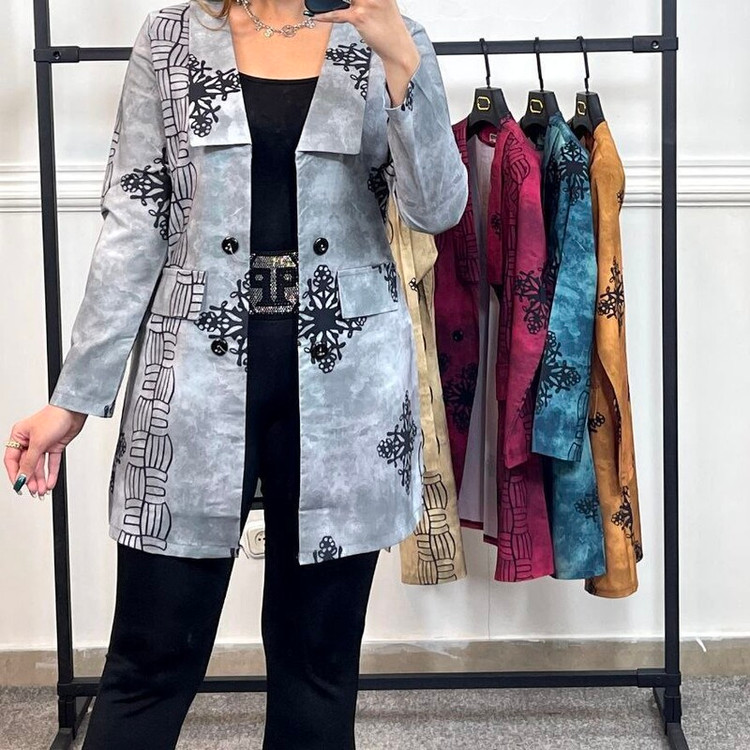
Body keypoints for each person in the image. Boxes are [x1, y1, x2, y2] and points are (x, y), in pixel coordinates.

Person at [4, 0, 467, 747]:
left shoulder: (389, 35)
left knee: (318, 669)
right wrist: (74, 399)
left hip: (347, 391)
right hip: (191, 383)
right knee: (150, 661)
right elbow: (136, 223)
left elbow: (437, 208)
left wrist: (402, 65)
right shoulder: (171, 37)